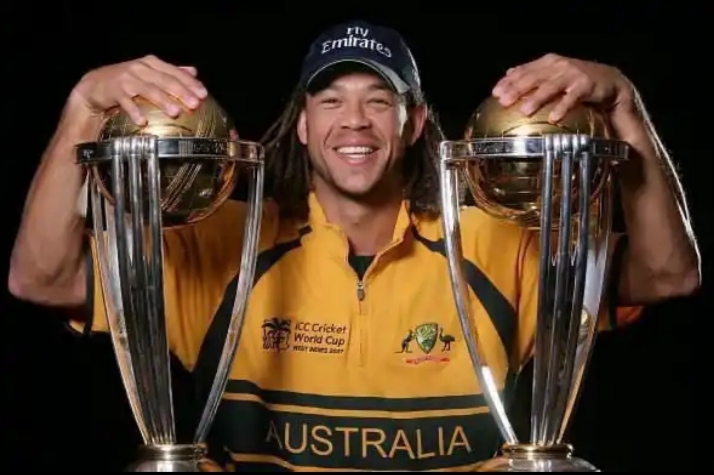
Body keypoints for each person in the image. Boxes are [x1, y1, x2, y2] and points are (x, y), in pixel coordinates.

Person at [9, 20, 700, 472]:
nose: (355, 122)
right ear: (303, 125)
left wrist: (626, 111)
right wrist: (82, 109)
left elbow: (669, 274)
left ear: (414, 122)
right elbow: (40, 278)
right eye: (331, 100)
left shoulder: (497, 240)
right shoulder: (225, 244)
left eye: (378, 99)